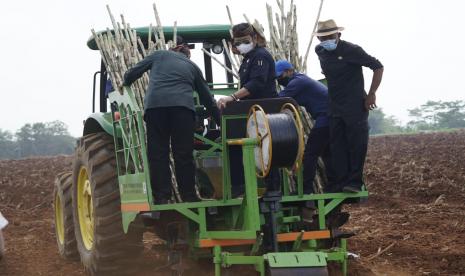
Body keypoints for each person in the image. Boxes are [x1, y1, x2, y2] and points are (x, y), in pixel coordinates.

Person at [123, 39, 220, 204]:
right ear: (187, 55)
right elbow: (207, 99)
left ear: (174, 50)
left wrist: (125, 82)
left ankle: (162, 197)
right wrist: (220, 121)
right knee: (183, 154)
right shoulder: (193, 67)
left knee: (157, 154)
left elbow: (132, 73)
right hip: (182, 111)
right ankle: (189, 197)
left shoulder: (159, 55)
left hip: (155, 109)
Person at [314, 19, 384, 193]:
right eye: (322, 38)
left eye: (330, 36)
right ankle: (340, 182)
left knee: (356, 144)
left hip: (354, 105)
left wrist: (371, 93)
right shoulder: (320, 51)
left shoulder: (352, 50)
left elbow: (377, 67)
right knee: (337, 146)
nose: (326, 41)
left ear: (338, 35)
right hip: (334, 105)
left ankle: (354, 182)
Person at [217, 22, 278, 197]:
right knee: (233, 145)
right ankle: (238, 187)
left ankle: (272, 189)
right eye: (236, 43)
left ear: (254, 38)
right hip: (249, 109)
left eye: (244, 41)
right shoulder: (248, 59)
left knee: (267, 149)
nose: (240, 46)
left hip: (263, 109)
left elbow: (256, 83)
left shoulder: (261, 56)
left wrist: (233, 97)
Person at [275, 60, 331, 195]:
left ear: (289, 71)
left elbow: (277, 100)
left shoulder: (297, 82)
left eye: (280, 76)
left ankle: (306, 190)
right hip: (330, 117)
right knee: (328, 154)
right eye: (276, 78)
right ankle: (334, 185)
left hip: (327, 117)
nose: (278, 80)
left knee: (310, 154)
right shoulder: (300, 80)